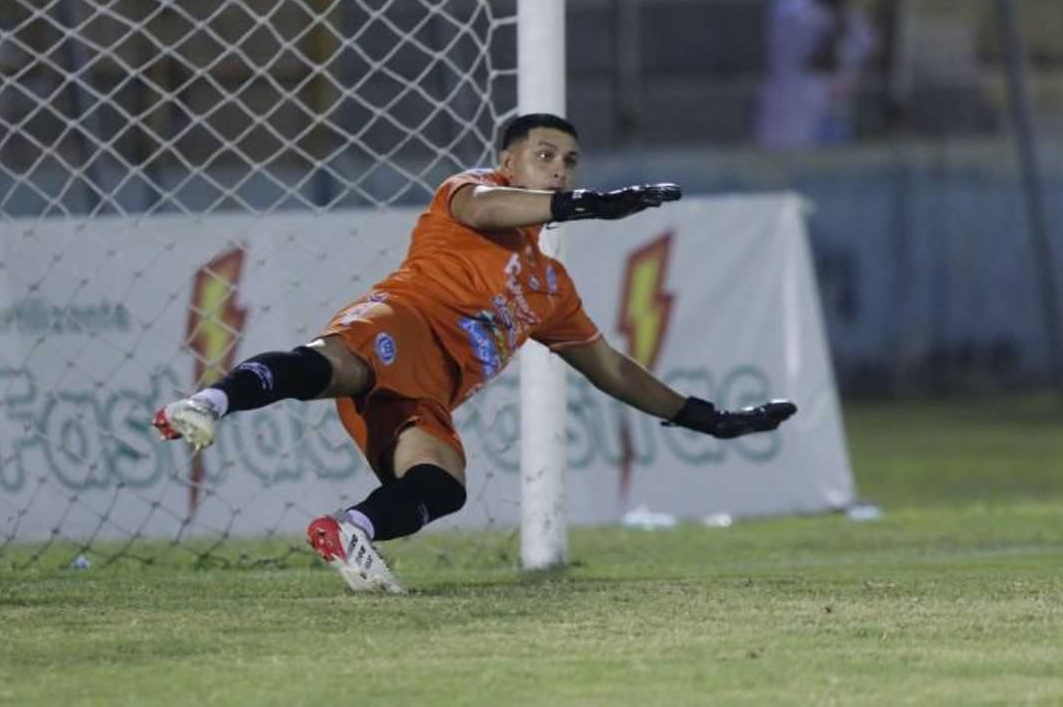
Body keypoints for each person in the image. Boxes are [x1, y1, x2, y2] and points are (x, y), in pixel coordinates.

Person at [153, 114, 797, 593]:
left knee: (443, 485)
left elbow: (613, 370)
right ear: (509, 163)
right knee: (338, 365)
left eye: (571, 162)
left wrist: (709, 418)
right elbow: (488, 208)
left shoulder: (552, 289)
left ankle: (349, 529)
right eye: (545, 156)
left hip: (432, 389)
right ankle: (207, 401)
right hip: (402, 321)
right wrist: (583, 206)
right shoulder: (465, 192)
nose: (559, 169)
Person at [754, 0, 877, 149]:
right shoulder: (791, 7)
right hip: (789, 129)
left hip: (836, 127)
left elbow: (870, 56)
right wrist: (839, 19)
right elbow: (818, 60)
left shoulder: (855, 18)